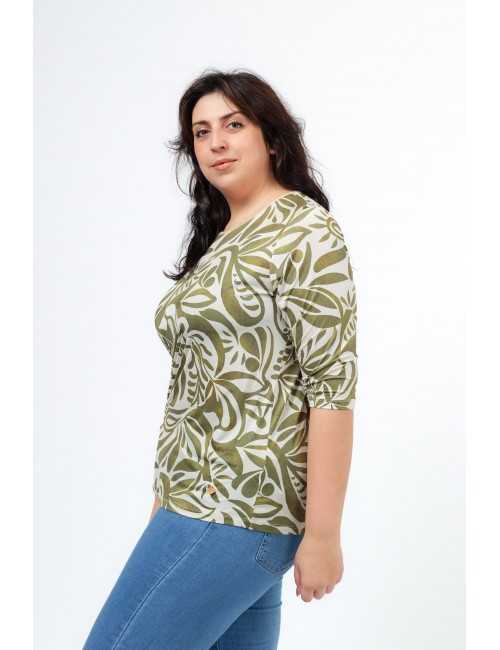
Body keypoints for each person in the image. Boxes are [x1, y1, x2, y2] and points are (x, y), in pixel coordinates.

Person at [82, 68, 358, 650]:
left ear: (272, 138)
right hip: (193, 499)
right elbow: (194, 388)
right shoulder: (220, 241)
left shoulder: (304, 230)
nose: (216, 143)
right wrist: (165, 499)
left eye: (233, 125)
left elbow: (331, 386)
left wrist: (323, 534)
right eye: (201, 132)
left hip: (240, 504)